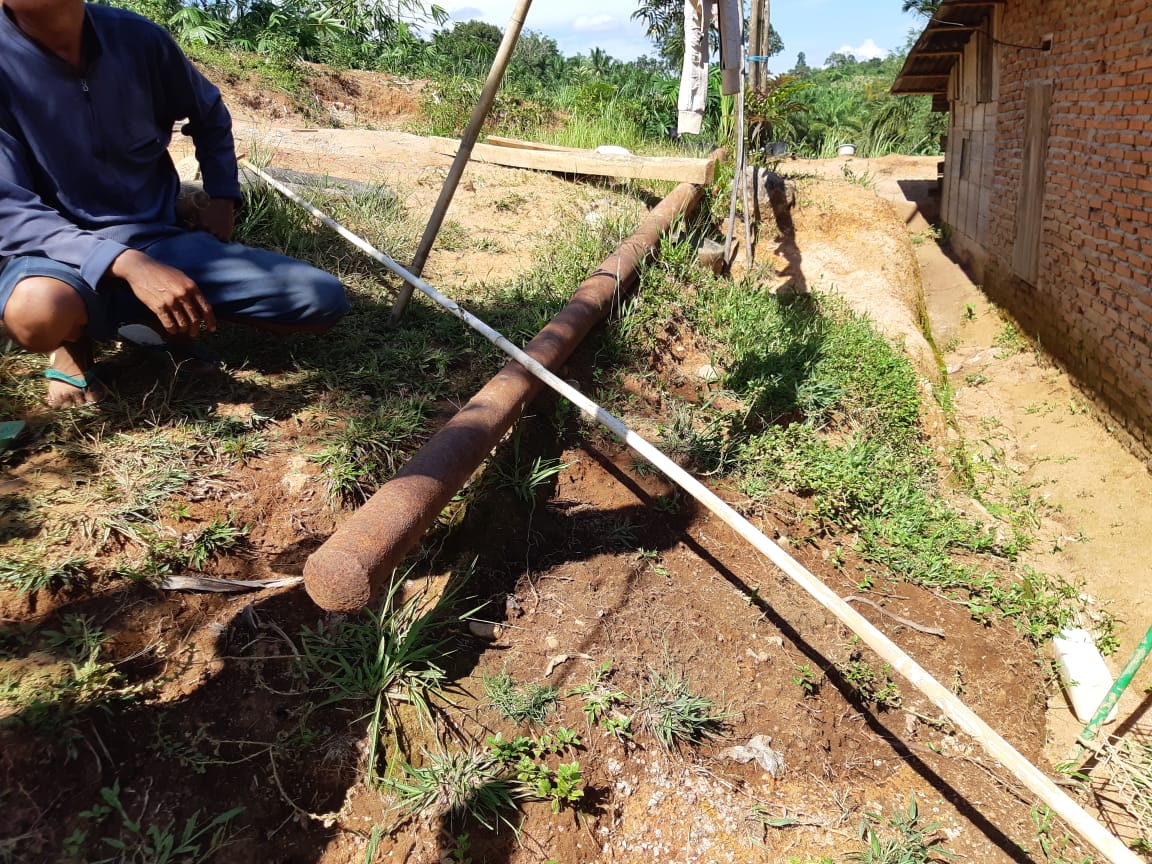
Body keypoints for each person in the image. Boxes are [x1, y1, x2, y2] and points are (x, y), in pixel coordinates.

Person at [0, 0, 350, 408]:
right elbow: (11, 210)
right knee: (37, 312)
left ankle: (156, 321)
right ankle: (74, 342)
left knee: (318, 298)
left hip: (157, 234)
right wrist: (129, 265)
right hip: (55, 252)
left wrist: (222, 196)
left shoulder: (138, 38)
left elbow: (209, 113)